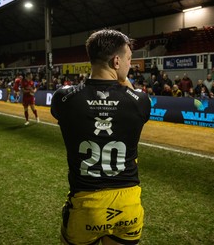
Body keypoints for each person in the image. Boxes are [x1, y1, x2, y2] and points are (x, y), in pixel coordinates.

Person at [51, 29, 151, 245]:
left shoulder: (64, 98)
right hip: (128, 204)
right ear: (116, 61)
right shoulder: (140, 101)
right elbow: (131, 95)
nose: (129, 65)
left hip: (87, 205)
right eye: (128, 59)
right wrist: (122, 81)